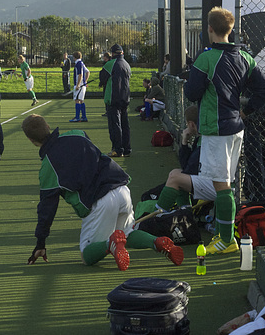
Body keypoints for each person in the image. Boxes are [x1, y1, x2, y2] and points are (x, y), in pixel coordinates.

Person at [21, 114, 183, 270]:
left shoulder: (46, 169)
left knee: (86, 254)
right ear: (48, 126)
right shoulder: (77, 134)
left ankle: (110, 245)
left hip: (100, 201)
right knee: (127, 232)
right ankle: (156, 242)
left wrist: (40, 243)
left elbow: (46, 210)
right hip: (121, 188)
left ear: (31, 140)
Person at [184, 6, 265, 254]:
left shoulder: (206, 58)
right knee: (225, 184)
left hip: (216, 129)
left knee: (222, 185)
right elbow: (263, 90)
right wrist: (246, 111)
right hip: (236, 127)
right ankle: (225, 235)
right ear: (231, 30)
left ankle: (225, 238)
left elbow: (191, 93)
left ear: (209, 29)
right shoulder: (245, 57)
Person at [154, 105, 217, 212]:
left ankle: (156, 214)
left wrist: (184, 142)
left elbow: (188, 170)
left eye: (187, 123)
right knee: (177, 173)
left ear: (191, 124)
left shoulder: (207, 141)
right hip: (211, 180)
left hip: (218, 186)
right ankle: (186, 213)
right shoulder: (201, 138)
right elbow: (186, 168)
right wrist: (184, 142)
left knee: (175, 177)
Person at [100, 44, 131, 157]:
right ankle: (127, 149)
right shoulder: (127, 64)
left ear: (112, 53)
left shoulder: (110, 64)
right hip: (125, 97)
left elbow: (102, 78)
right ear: (122, 53)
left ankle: (117, 149)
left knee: (115, 125)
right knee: (125, 124)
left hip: (113, 99)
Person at [69, 51, 90, 122]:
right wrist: (85, 81)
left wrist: (78, 85)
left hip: (79, 86)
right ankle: (83, 117)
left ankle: (77, 117)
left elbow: (80, 75)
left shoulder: (78, 64)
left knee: (77, 100)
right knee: (81, 100)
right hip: (82, 85)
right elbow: (88, 72)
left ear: (75, 57)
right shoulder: (82, 63)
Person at [99, 51, 112, 116]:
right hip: (106, 83)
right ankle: (108, 111)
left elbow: (104, 75)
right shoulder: (107, 64)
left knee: (107, 97)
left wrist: (101, 82)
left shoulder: (107, 64)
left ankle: (108, 111)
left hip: (107, 84)